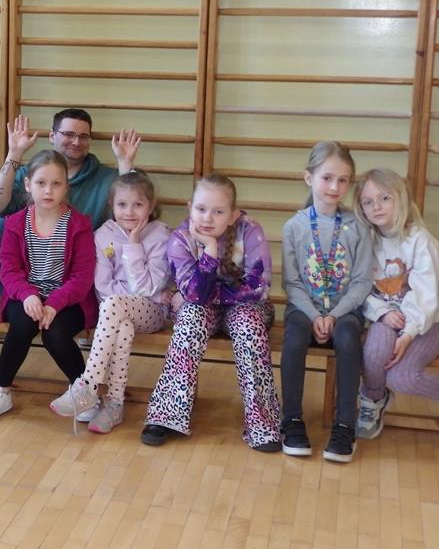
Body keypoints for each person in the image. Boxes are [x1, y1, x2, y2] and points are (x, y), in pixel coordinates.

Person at [141, 174, 281, 452]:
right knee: (190, 318)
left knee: (248, 325)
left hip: (248, 308)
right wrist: (211, 250)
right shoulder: (181, 238)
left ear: (233, 215)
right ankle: (167, 414)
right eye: (201, 209)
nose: (207, 218)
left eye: (218, 211)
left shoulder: (250, 230)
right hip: (202, 309)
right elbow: (194, 296)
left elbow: (258, 287)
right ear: (190, 207)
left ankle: (262, 423)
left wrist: (211, 295)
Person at [354, 168, 439, 446]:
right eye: (368, 202)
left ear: (400, 198)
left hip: (424, 326)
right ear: (361, 208)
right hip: (385, 319)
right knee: (374, 349)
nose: (376, 207)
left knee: (402, 378)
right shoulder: (365, 242)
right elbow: (359, 289)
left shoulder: (421, 241)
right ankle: (374, 397)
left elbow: (426, 296)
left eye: (384, 198)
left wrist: (408, 333)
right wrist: (382, 313)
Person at [0, 150, 98, 424]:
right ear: (28, 185)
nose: (48, 190)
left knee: (54, 333)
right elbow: (9, 269)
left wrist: (54, 304)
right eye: (41, 183)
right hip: (25, 295)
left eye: (56, 183)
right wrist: (28, 295)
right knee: (22, 324)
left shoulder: (79, 225)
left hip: (69, 300)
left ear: (66, 186)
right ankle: (1, 390)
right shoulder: (16, 223)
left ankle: (85, 393)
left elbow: (82, 277)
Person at [49, 170, 172, 433]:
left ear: (151, 206)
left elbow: (148, 287)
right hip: (116, 313)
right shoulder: (103, 235)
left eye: (138, 204)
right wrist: (134, 294)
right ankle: (115, 405)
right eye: (122, 204)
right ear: (111, 205)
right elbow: (103, 286)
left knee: (114, 305)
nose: (129, 212)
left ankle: (87, 386)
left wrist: (134, 245)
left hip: (153, 312)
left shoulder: (161, 236)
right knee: (122, 326)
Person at [279, 141, 372, 462]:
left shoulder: (358, 227)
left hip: (345, 311)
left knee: (347, 339)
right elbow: (292, 283)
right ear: (309, 178)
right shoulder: (294, 227)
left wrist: (334, 315)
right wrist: (314, 314)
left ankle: (345, 425)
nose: (335, 187)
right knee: (293, 340)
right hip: (303, 309)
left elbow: (361, 282)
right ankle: (291, 420)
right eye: (327, 178)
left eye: (343, 180)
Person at [0, 109, 141, 230]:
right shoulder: (32, 173)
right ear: (52, 136)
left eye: (83, 137)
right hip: (30, 258)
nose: (76, 142)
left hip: (83, 256)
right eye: (69, 134)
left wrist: (125, 163)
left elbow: (132, 217)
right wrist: (14, 153)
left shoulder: (107, 178)